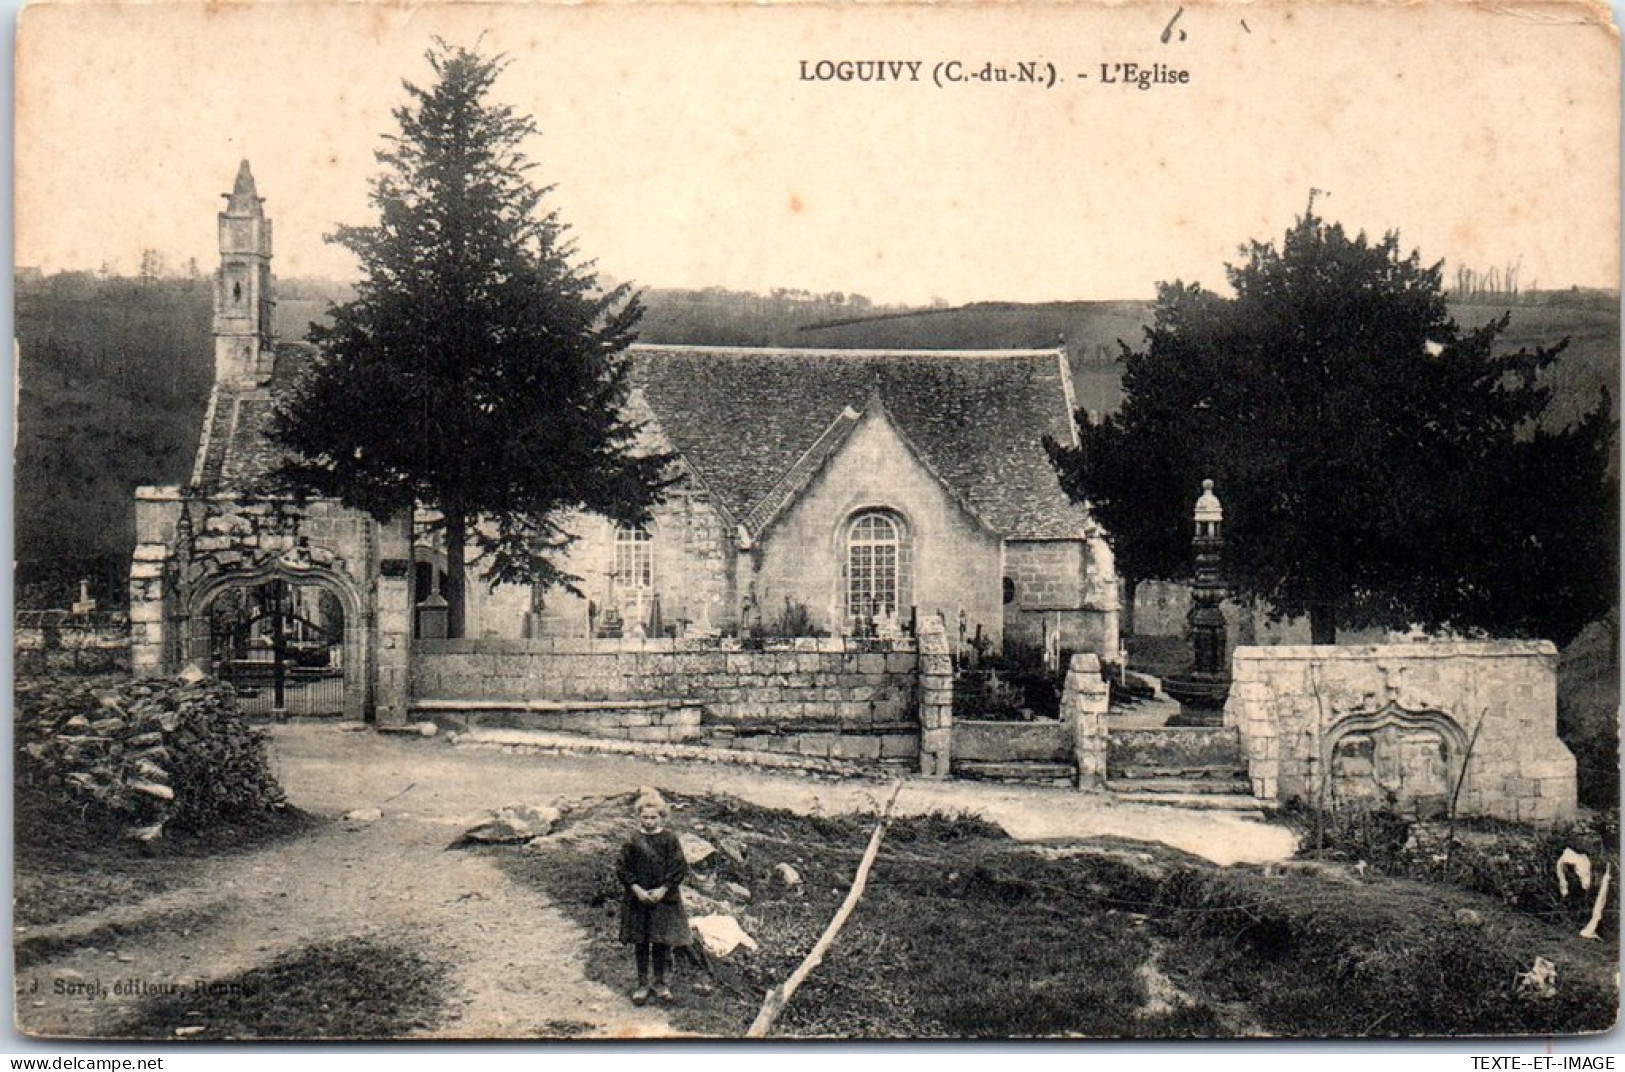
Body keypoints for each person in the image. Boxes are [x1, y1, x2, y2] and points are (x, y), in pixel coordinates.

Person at [616, 793, 691, 1004]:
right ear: (639, 817)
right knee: (641, 942)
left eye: (653, 818)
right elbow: (622, 868)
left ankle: (661, 983)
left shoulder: (669, 839)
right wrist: (636, 889)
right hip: (638, 900)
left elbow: (679, 867)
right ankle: (642, 984)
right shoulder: (632, 840)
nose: (649, 821)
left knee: (662, 942)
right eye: (645, 817)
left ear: (662, 818)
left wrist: (663, 889)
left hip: (664, 900)